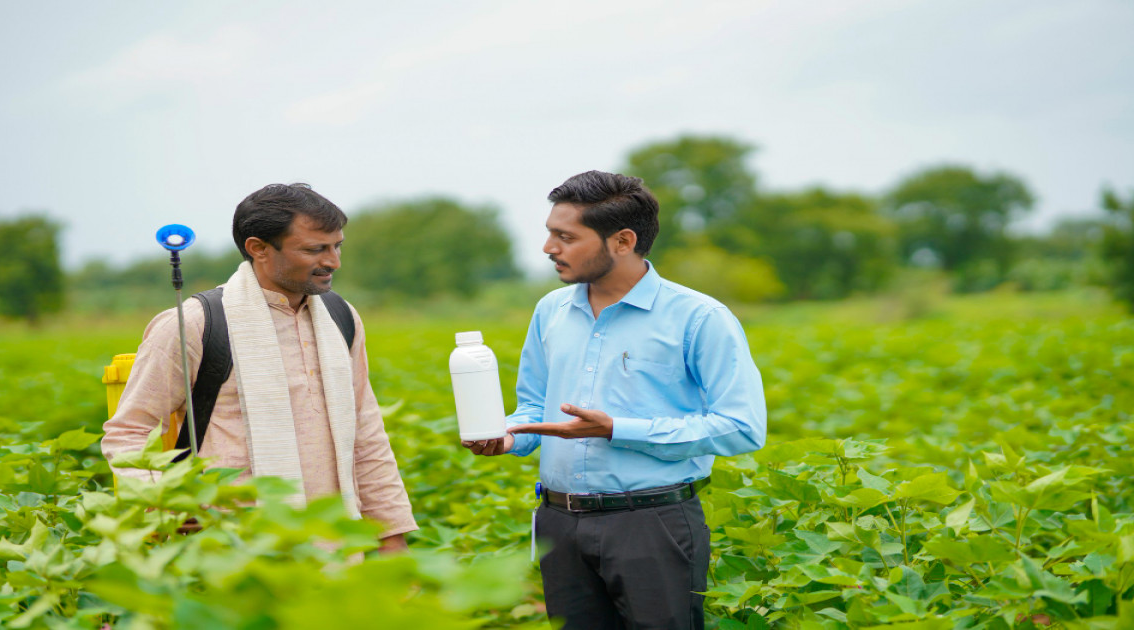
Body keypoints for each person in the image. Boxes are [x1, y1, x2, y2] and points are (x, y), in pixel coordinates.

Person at [463, 171, 767, 629]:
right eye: (549, 233)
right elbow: (534, 407)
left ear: (623, 241)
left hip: (651, 521)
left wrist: (616, 429)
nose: (549, 248)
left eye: (565, 236)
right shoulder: (551, 311)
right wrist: (509, 436)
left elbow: (741, 425)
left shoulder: (699, 317)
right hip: (559, 523)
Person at [102, 183, 416, 552]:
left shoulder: (341, 317)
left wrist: (392, 538)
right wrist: (167, 497)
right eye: (314, 249)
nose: (333, 262)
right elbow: (128, 431)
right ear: (259, 249)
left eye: (337, 246)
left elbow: (366, 434)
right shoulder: (196, 324)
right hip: (231, 550)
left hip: (339, 548)